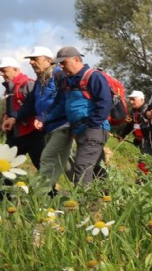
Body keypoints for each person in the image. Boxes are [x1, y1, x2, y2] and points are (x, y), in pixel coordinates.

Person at [3, 47, 72, 197]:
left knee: (46, 160)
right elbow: (30, 103)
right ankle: (91, 190)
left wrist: (45, 116)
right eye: (30, 59)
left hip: (62, 125)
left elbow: (63, 100)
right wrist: (14, 117)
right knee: (67, 165)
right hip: (49, 127)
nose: (31, 62)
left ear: (48, 60)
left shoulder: (59, 75)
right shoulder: (40, 80)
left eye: (35, 59)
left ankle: (41, 198)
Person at [40, 46, 111, 187]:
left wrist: (92, 125)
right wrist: (43, 118)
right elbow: (59, 103)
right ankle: (108, 202)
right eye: (59, 63)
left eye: (63, 62)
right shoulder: (67, 81)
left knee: (82, 167)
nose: (61, 66)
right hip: (79, 130)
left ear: (76, 60)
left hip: (94, 129)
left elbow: (105, 103)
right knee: (97, 168)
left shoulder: (93, 76)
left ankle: (85, 206)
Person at [0, 56, 44, 171]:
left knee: (42, 168)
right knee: (4, 168)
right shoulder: (9, 88)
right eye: (0, 71)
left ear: (16, 69)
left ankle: (52, 190)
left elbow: (35, 106)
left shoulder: (28, 84)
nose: (1, 74)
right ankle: (5, 190)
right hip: (15, 135)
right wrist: (6, 117)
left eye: (4, 70)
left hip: (33, 133)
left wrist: (14, 117)